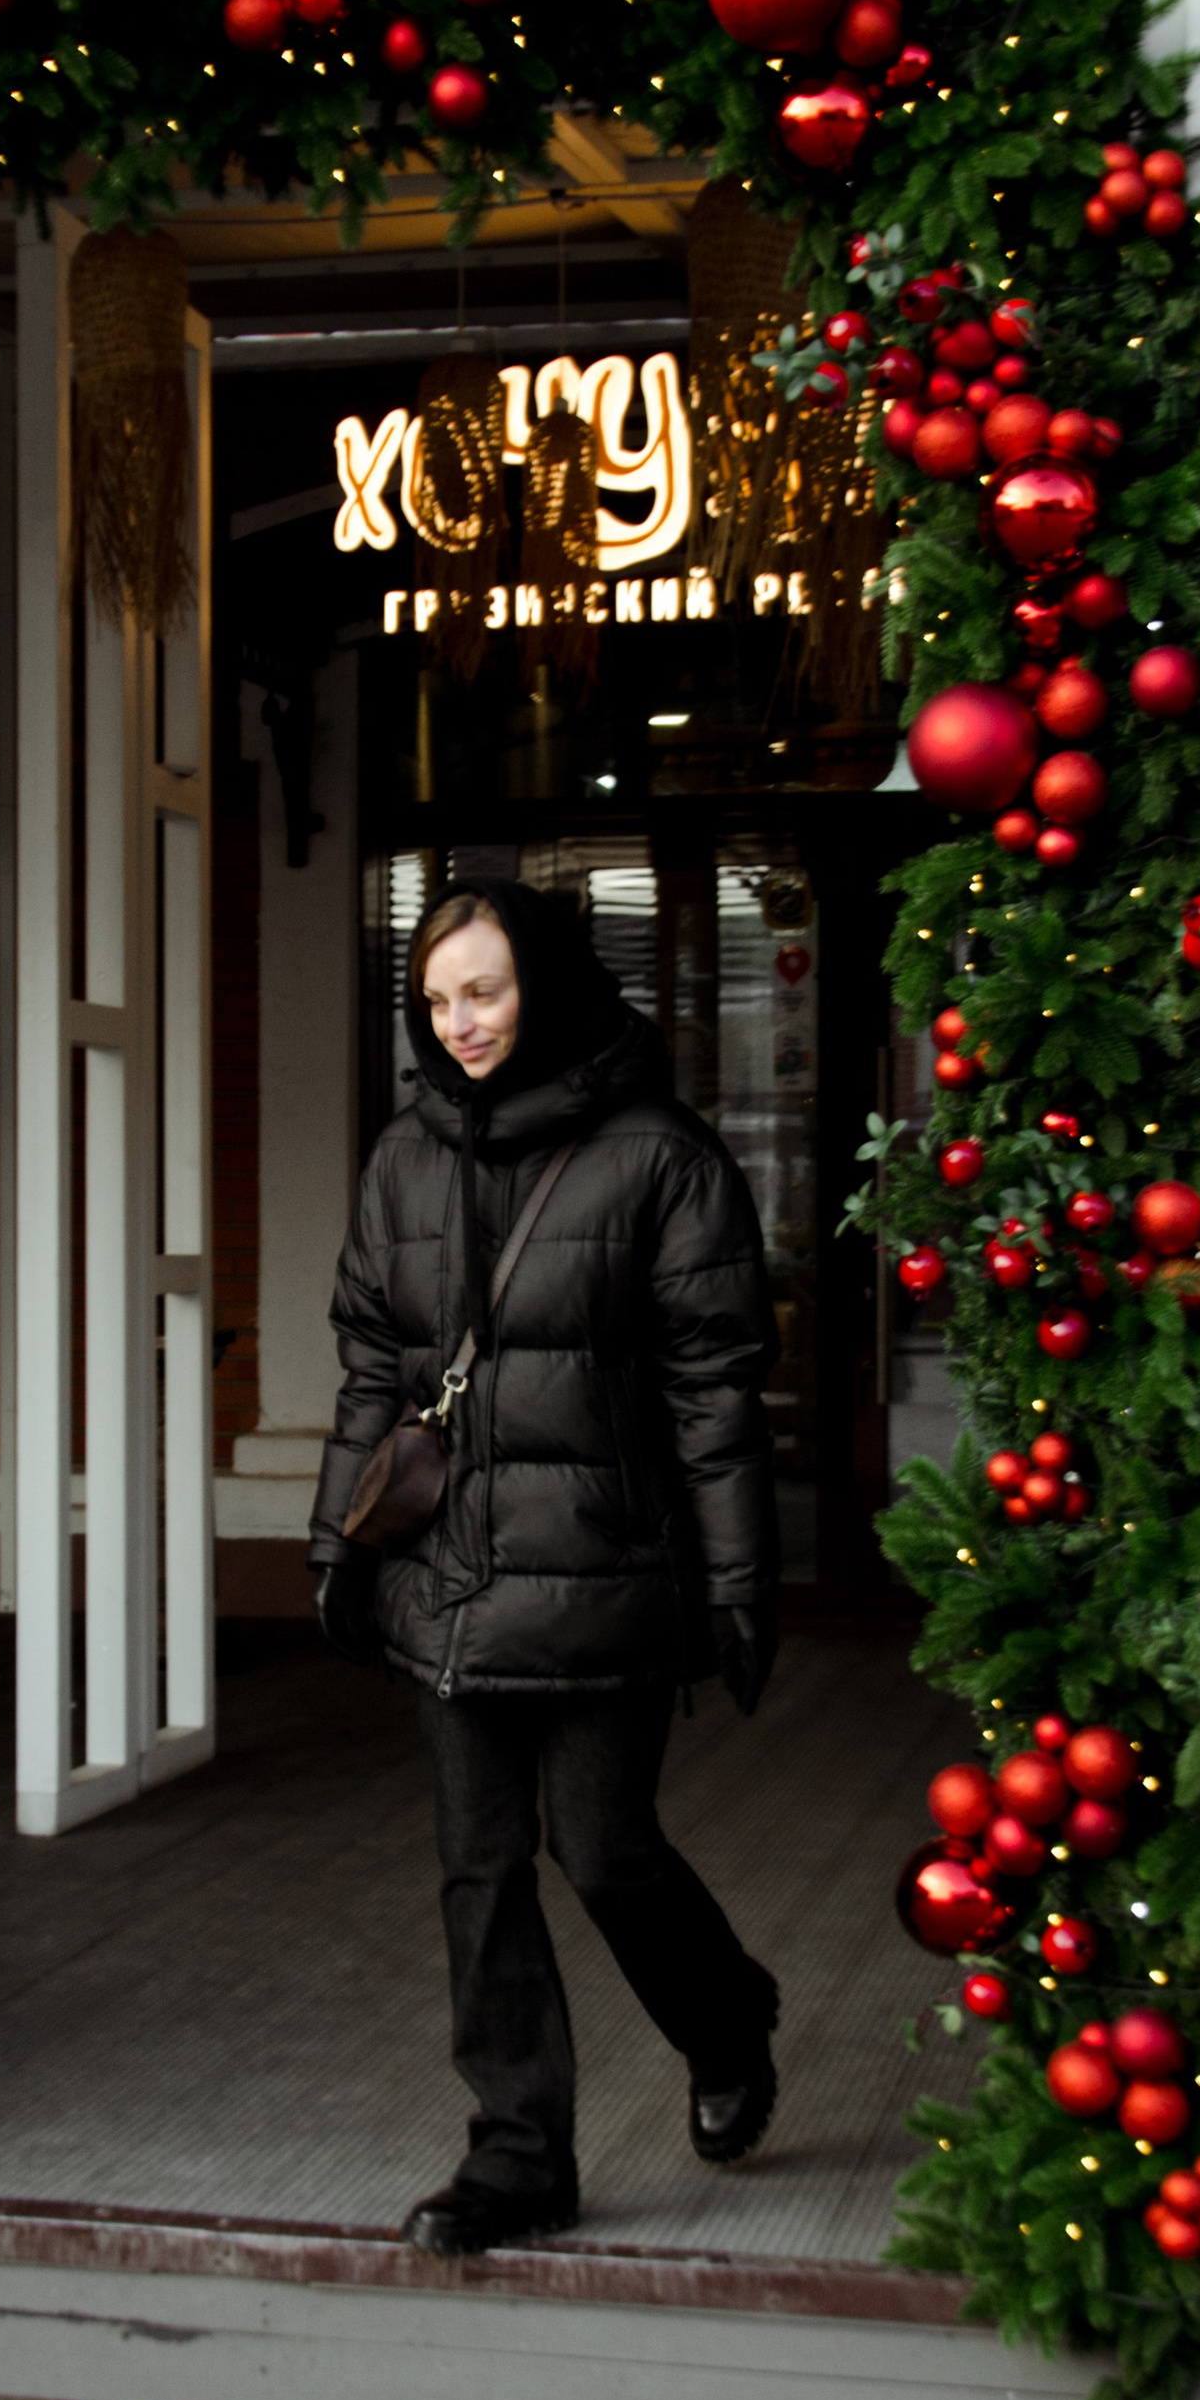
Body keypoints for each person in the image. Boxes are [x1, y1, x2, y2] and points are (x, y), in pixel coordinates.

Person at [309, 876, 783, 2256]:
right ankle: (517, 2153)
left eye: (487, 991)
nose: (459, 1022)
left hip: (605, 1574)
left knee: (605, 1847)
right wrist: (339, 1541)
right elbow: (369, 1370)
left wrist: (741, 1581)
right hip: (451, 1574)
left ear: (550, 987)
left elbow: (717, 1393)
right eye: (438, 998)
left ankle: (725, 2015)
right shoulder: (403, 1157)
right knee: (478, 1862)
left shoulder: (665, 1158)